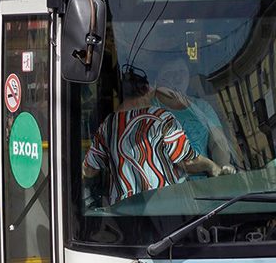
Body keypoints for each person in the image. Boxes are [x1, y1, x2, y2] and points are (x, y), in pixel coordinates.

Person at [82, 66, 224, 204]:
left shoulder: (108, 124)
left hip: (124, 211)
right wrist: (212, 166)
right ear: (148, 89)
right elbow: (187, 161)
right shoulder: (161, 117)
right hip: (162, 206)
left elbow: (89, 170)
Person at [152, 57, 239, 173]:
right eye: (169, 73)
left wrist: (222, 165)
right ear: (157, 80)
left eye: (182, 71)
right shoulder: (151, 106)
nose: (178, 77)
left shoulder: (201, 106)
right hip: (168, 185)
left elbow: (218, 141)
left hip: (203, 183)